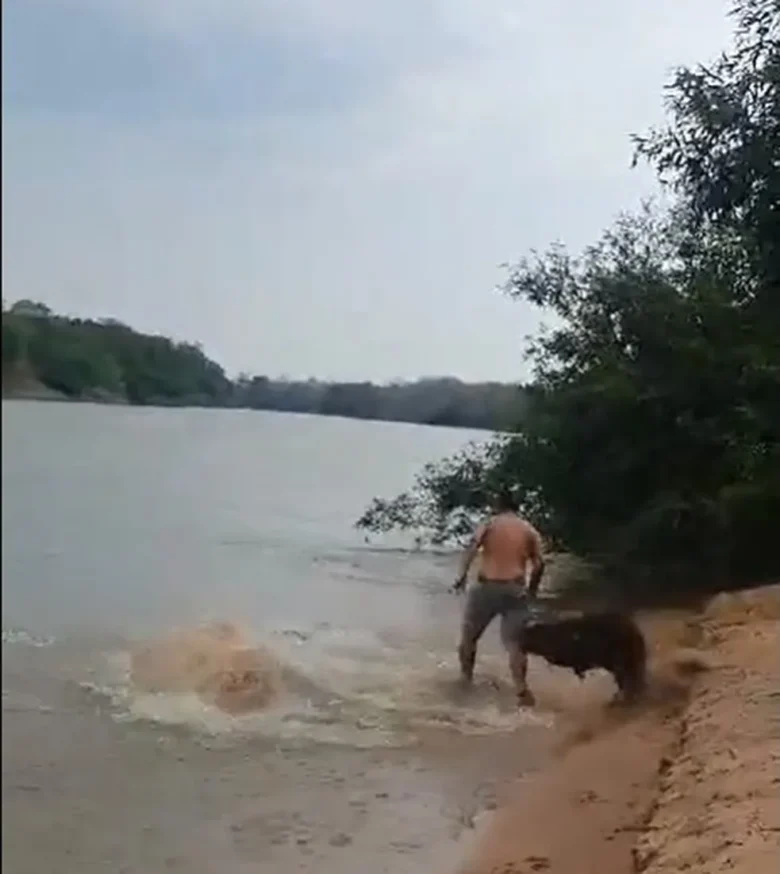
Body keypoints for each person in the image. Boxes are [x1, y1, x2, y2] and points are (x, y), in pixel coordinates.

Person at [451, 490, 545, 707]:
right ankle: (521, 691)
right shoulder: (529, 529)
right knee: (515, 644)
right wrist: (532, 591)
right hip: (515, 590)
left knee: (469, 638)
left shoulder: (491, 524)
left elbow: (473, 547)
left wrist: (461, 576)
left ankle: (466, 680)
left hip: (487, 588)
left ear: (498, 505)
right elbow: (539, 564)